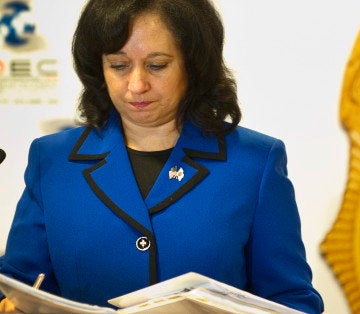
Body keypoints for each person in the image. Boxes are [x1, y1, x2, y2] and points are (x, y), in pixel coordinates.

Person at [0, 0, 324, 312]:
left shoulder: (254, 163)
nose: (137, 85)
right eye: (119, 66)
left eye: (157, 65)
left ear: (193, 65)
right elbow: (17, 286)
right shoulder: (53, 160)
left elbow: (293, 301)